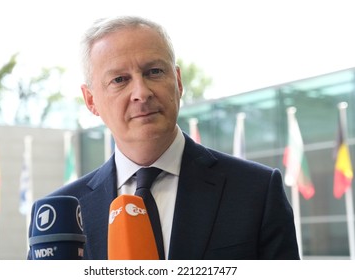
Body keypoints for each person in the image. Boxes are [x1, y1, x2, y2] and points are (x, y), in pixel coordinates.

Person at [28, 15, 300, 260]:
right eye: (120, 79)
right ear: (91, 101)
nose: (141, 92)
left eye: (154, 72)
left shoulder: (256, 190)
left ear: (178, 82)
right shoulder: (58, 216)